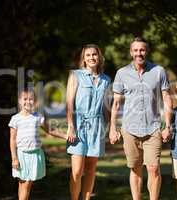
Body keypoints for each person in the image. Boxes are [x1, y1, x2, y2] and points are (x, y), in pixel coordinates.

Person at [109, 37, 172, 200]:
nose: (139, 53)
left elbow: (166, 98)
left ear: (147, 51)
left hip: (153, 128)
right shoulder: (121, 73)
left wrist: (167, 126)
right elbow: (115, 103)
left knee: (153, 168)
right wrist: (112, 128)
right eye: (136, 50)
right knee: (135, 168)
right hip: (129, 129)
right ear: (131, 52)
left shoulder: (159, 71)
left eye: (142, 50)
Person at [66, 44, 111, 200]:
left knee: (91, 169)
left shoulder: (106, 80)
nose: (92, 57)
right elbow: (69, 104)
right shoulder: (75, 75)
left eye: (94, 55)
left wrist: (110, 127)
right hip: (79, 126)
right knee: (77, 171)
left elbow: (106, 108)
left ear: (99, 57)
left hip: (97, 126)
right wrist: (71, 127)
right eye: (88, 55)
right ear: (83, 59)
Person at [9, 89, 67, 200]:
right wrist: (14, 158)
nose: (28, 101)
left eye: (31, 99)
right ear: (20, 101)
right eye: (25, 99)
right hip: (21, 155)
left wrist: (65, 136)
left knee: (27, 184)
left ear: (34, 101)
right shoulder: (15, 119)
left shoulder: (37, 117)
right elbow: (12, 140)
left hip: (35, 155)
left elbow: (50, 130)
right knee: (22, 183)